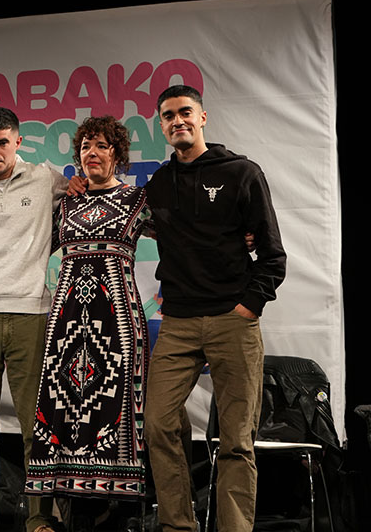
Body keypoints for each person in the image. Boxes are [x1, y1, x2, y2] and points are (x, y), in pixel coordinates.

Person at [143, 85, 286, 532]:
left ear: (202, 117)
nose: (177, 121)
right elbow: (120, 210)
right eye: (168, 116)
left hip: (232, 320)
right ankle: (178, 526)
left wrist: (249, 306)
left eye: (185, 112)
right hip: (178, 322)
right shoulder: (158, 184)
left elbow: (272, 254)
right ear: (162, 125)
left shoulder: (241, 172)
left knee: (236, 441)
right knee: (157, 424)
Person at [25, 116, 151, 526]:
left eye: (101, 146)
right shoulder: (65, 203)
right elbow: (26, 241)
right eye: (85, 147)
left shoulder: (136, 200)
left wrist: (241, 236)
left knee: (114, 409)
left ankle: (118, 513)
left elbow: (187, 234)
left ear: (117, 153)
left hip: (117, 323)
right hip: (66, 325)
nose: (92, 154)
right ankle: (77, 511)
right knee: (67, 410)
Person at [0, 107, 70, 532]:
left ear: (18, 142)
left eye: (2, 142)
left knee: (35, 427)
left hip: (31, 315)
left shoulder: (45, 179)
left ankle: (40, 518)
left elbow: (87, 195)